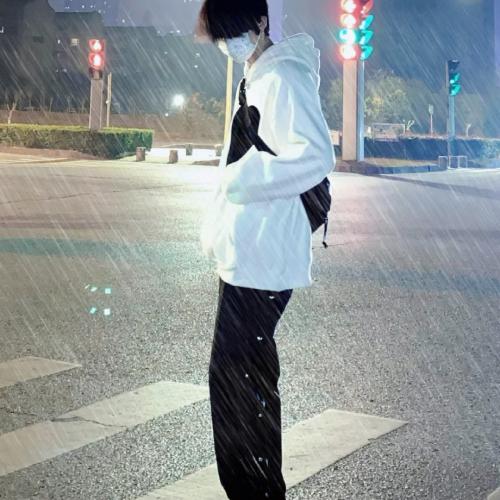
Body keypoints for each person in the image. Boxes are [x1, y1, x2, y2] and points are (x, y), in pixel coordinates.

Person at [195, 1, 335, 498]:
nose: (226, 45)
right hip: (249, 255)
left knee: (240, 382)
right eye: (220, 37)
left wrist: (246, 179)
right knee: (239, 378)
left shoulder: (282, 78)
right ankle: (255, 489)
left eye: (232, 33)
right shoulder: (258, 75)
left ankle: (256, 490)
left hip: (265, 258)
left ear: (260, 23)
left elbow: (316, 155)